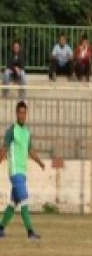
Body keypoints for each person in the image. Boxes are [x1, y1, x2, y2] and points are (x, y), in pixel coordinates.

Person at [0, 101, 45, 239]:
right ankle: (30, 232)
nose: (22, 115)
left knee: (14, 203)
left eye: (24, 112)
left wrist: (40, 162)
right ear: (16, 113)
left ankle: (0, 228)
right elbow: (4, 149)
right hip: (15, 172)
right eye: (20, 112)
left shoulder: (26, 132)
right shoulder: (11, 131)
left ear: (26, 114)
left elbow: (30, 150)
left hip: (23, 172)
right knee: (25, 199)